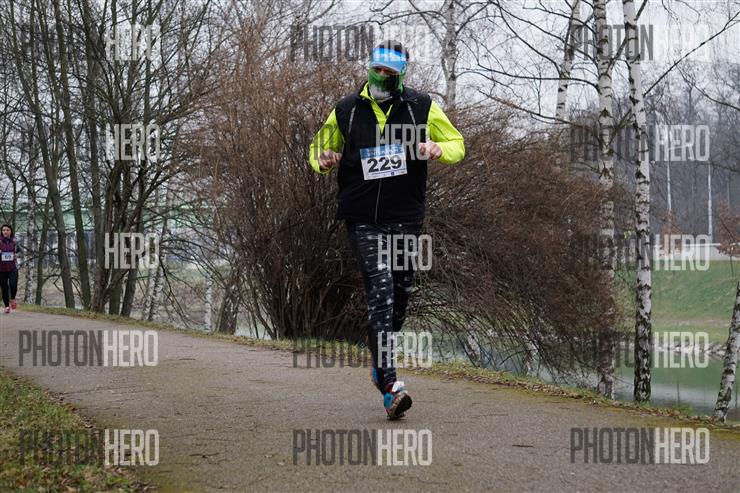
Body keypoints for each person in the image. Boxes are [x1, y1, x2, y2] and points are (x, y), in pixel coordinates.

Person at [309, 40, 465, 419]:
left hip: (405, 215)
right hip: (362, 216)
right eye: (377, 69)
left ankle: (380, 362)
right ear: (369, 68)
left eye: (390, 73)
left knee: (399, 297)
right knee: (380, 292)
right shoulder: (347, 110)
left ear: (402, 75)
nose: (381, 77)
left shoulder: (420, 107)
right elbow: (317, 149)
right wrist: (323, 159)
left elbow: (457, 144)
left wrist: (438, 150)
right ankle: (391, 386)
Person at [0, 224, 19, 314]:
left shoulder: (14, 241)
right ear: (1, 232)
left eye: (7, 230)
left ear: (11, 231)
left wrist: (17, 255)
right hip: (1, 269)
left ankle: (13, 299)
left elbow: (19, 251)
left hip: (12, 268)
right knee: (4, 288)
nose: (5, 232)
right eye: (4, 230)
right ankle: (7, 306)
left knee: (13, 284)